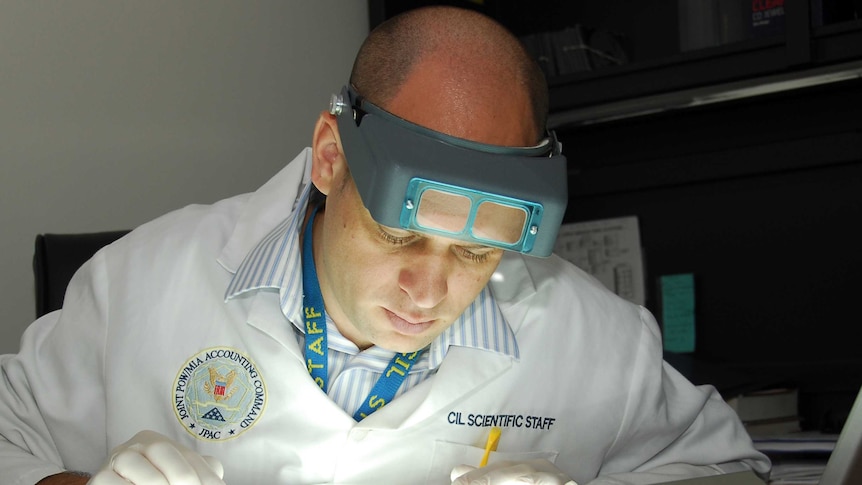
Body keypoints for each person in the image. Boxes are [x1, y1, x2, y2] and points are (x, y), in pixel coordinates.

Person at [0, 6, 770, 485]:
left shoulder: (593, 337)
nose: (427, 291)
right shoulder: (139, 283)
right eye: (399, 234)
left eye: (475, 254)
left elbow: (733, 469)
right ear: (331, 156)